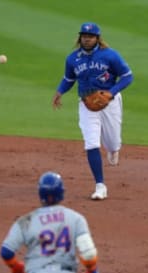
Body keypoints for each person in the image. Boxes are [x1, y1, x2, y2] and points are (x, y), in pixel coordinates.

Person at [52, 22, 134, 200]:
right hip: (86, 104)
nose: (87, 39)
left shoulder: (110, 55)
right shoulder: (72, 59)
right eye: (84, 36)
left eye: (90, 36)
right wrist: (59, 92)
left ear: (97, 38)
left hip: (109, 102)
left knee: (112, 144)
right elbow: (68, 79)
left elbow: (128, 77)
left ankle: (113, 149)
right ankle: (100, 185)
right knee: (91, 143)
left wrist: (111, 93)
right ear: (80, 37)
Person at [0, 171, 99, 273]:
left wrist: (15, 266)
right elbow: (88, 253)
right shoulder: (76, 218)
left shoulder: (26, 220)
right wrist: (92, 272)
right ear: (61, 193)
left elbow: (6, 252)